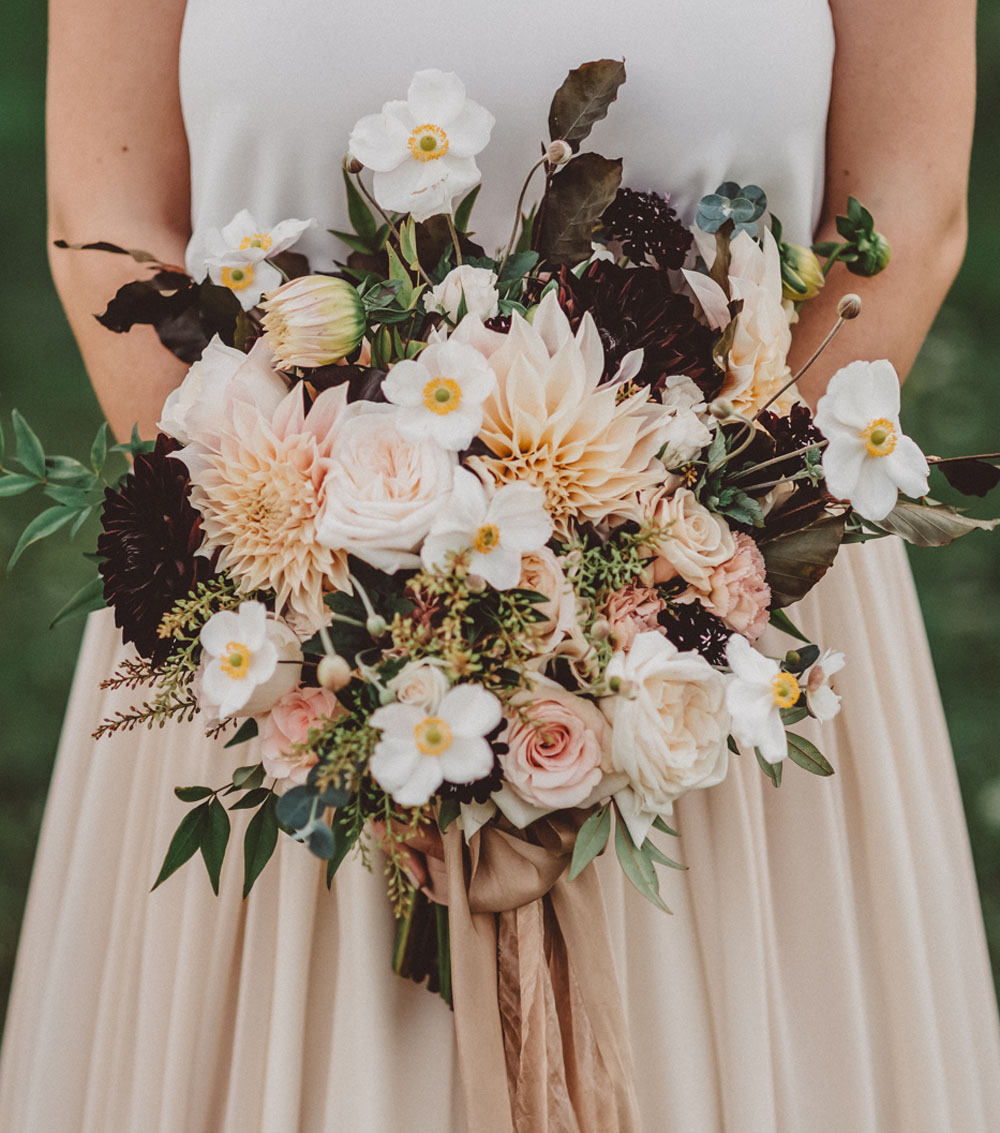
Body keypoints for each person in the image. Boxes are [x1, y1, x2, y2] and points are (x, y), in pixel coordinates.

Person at [2, 0, 997, 1129]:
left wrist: (658, 585)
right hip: (273, 636)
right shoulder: (285, 613)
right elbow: (108, 211)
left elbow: (910, 212)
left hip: (727, 653)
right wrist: (319, 594)